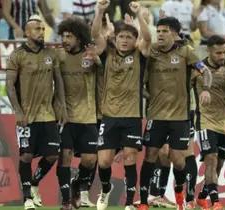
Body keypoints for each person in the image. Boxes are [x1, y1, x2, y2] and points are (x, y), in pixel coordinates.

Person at [137, 16, 213, 210]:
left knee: (178, 161)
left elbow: (206, 72)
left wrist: (205, 89)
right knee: (150, 155)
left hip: (180, 117)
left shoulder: (186, 52)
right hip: (156, 116)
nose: (160, 34)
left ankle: (179, 189)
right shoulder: (152, 51)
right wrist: (147, 95)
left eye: (165, 31)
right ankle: (144, 201)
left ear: (174, 34)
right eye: (159, 31)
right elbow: (140, 82)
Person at [91, 1, 152, 210]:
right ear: (114, 39)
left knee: (129, 157)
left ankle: (128, 203)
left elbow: (148, 38)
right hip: (109, 116)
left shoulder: (139, 56)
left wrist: (139, 16)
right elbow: (95, 35)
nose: (125, 40)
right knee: (104, 162)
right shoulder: (107, 54)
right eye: (121, 37)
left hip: (132, 116)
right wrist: (99, 11)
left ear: (135, 41)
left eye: (129, 37)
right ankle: (105, 189)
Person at [6, 15, 67, 210]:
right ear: (26, 32)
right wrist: (17, 111)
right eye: (37, 29)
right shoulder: (17, 55)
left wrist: (62, 106)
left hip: (48, 115)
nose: (41, 32)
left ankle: (33, 184)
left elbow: (59, 82)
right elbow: (9, 85)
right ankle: (27, 199)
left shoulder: (51, 54)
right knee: (25, 156)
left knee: (52, 155)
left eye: (42, 29)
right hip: (27, 116)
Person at [55, 17, 101, 210]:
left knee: (90, 160)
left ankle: (77, 186)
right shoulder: (58, 56)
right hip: (66, 118)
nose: (65, 39)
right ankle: (66, 200)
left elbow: (103, 72)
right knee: (65, 156)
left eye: (69, 36)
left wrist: (97, 60)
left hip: (88, 117)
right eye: (63, 35)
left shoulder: (89, 56)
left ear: (79, 38)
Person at [194, 35, 225, 210]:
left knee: (220, 164)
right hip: (205, 120)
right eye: (218, 53)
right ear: (208, 51)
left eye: (224, 52)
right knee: (211, 158)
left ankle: (202, 196)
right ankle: (215, 202)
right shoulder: (198, 67)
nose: (222, 56)